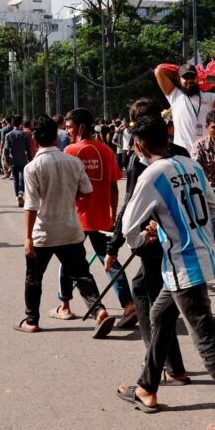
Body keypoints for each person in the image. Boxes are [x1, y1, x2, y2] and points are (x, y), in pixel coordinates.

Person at [117, 114, 215, 430]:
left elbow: (128, 226)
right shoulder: (190, 165)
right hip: (201, 257)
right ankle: (147, 387)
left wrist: (144, 239)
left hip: (184, 266)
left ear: (139, 146)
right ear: (167, 139)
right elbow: (213, 210)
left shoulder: (152, 174)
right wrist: (175, 226)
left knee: (204, 336)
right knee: (160, 315)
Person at [105, 98, 190, 389]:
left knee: (158, 304)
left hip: (156, 241)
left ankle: (168, 366)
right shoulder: (181, 153)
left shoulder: (142, 161)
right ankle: (164, 363)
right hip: (180, 239)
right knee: (148, 291)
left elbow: (129, 206)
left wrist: (113, 245)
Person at [15, 113, 116, 338]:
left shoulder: (33, 167)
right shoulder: (73, 162)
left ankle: (32, 320)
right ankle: (99, 311)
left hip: (44, 232)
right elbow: (87, 190)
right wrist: (69, 193)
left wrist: (28, 238)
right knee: (82, 274)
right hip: (70, 229)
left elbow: (31, 206)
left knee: (34, 277)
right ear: (55, 137)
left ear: (35, 140)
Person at [53, 108, 135, 325]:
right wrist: (113, 215)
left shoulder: (71, 151)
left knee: (68, 262)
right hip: (102, 217)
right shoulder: (107, 151)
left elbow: (65, 187)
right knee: (110, 261)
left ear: (81, 127)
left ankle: (65, 305)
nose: (68, 131)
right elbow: (114, 187)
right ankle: (128, 304)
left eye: (70, 127)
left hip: (76, 218)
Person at [154, 60, 215, 153]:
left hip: (205, 154)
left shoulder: (209, 97)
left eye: (192, 77)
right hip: (182, 154)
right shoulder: (175, 95)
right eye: (185, 77)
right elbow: (159, 70)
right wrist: (180, 70)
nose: (189, 81)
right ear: (179, 79)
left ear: (197, 78)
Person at [3, 115, 32, 207]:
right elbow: (28, 149)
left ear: (12, 123)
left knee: (15, 179)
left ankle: (17, 197)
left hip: (13, 160)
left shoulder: (8, 135)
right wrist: (30, 159)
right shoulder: (25, 135)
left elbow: (6, 148)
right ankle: (21, 193)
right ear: (21, 124)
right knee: (22, 177)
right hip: (23, 159)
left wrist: (6, 159)